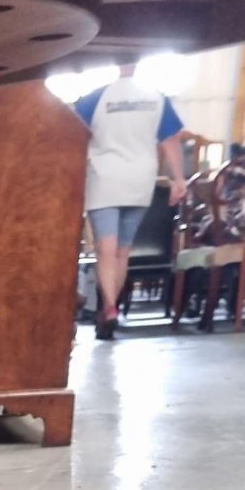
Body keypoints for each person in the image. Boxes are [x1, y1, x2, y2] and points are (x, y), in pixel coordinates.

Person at [73, 65, 187, 339]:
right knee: (123, 252)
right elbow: (171, 140)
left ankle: (109, 307)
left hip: (105, 176)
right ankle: (111, 310)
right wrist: (179, 179)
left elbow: (73, 133)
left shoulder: (96, 97)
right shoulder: (157, 97)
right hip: (140, 177)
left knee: (105, 249)